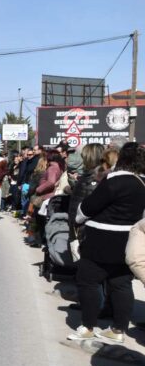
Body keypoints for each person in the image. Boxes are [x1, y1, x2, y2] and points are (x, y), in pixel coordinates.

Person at [67, 143, 145, 343]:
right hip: (129, 240)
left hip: (100, 240)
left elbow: (88, 207)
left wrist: (78, 218)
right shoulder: (141, 182)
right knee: (121, 284)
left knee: (88, 281)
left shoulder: (113, 180)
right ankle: (118, 330)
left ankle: (88, 327)